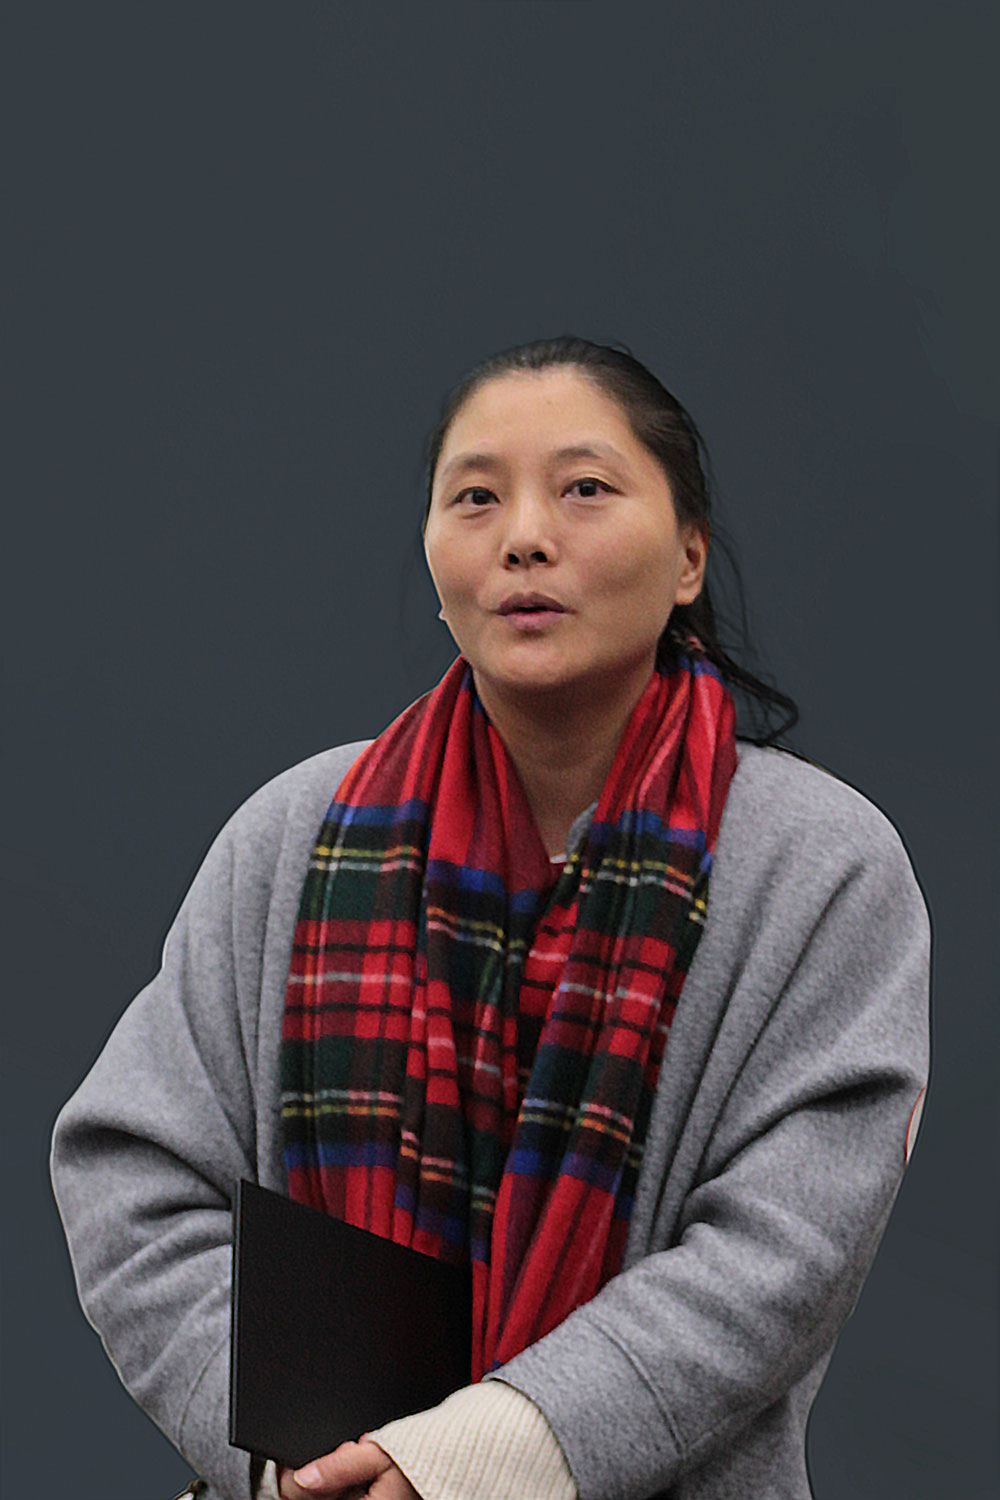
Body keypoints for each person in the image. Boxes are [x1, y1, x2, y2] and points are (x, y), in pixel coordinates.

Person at [50, 335, 931, 1500]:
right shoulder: (294, 833)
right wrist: (292, 1458)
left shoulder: (822, 866)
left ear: (688, 557)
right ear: (433, 560)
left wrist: (472, 1461)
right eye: (475, 497)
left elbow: (784, 1251)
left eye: (584, 488)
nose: (523, 536)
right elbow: (131, 1176)